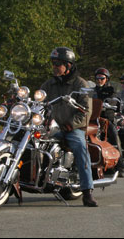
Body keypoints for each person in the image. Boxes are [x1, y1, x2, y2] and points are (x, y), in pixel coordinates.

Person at [41, 47, 97, 207]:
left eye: (58, 63)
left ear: (69, 65)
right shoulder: (48, 84)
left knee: (80, 147)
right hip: (51, 128)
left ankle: (87, 192)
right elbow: (38, 103)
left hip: (72, 128)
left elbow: (86, 111)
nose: (55, 66)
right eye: (53, 63)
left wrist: (70, 124)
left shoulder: (80, 84)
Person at [93, 67, 124, 177]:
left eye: (102, 78)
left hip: (106, 119)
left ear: (107, 79)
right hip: (93, 119)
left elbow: (114, 99)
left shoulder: (110, 90)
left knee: (114, 137)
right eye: (97, 78)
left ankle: (120, 167)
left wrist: (110, 102)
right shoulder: (92, 91)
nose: (99, 80)